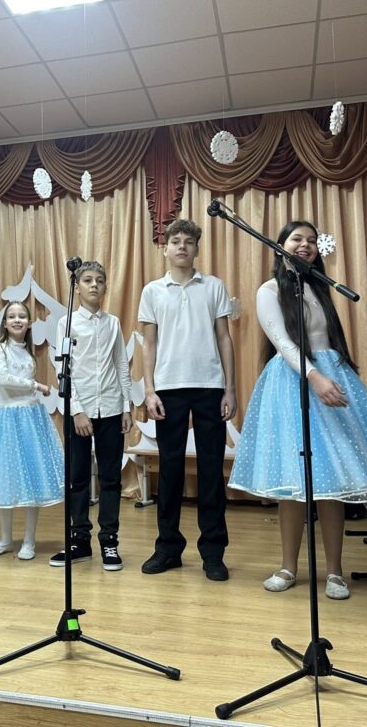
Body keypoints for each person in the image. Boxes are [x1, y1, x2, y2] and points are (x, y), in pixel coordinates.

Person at [229, 221, 367, 599]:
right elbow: (284, 344)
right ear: (280, 246)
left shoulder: (320, 287)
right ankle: (288, 567)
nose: (305, 245)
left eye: (311, 241)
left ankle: (335, 572)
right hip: (291, 383)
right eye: (296, 239)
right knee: (293, 484)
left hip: (330, 375)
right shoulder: (269, 290)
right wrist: (315, 378)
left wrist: (329, 376)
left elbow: (327, 338)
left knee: (330, 482)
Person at [138, 219, 236, 581]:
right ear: (165, 248)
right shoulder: (152, 291)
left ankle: (213, 552)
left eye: (189, 241)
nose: (182, 246)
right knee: (170, 469)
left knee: (211, 470)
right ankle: (168, 548)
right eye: (176, 241)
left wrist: (230, 389)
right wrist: (150, 390)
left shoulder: (214, 286)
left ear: (196, 248)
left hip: (210, 386)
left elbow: (224, 338)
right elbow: (149, 344)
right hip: (167, 388)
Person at [48, 261, 133, 571]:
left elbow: (121, 363)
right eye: (87, 280)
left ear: (105, 286)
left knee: (111, 478)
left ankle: (109, 541)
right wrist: (77, 410)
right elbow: (63, 368)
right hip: (79, 411)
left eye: (99, 280)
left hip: (111, 408)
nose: (94, 285)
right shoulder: (66, 323)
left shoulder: (113, 323)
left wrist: (126, 406)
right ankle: (79, 540)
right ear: (77, 286)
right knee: (78, 477)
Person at [0, 301, 63, 560]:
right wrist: (37, 385)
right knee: (5, 478)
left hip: (30, 418)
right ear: (5, 323)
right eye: (12, 316)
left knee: (32, 478)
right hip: (7, 419)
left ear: (29, 323)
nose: (17, 320)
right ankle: (5, 539)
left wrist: (34, 389)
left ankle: (29, 541)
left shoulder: (28, 352)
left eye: (22, 316)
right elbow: (4, 380)